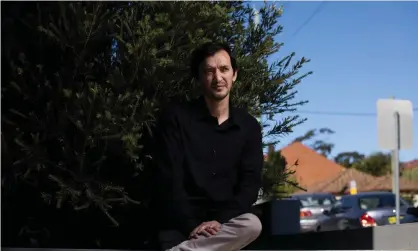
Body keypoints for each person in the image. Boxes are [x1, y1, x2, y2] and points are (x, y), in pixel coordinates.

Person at [154, 42, 264, 251]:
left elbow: (249, 186)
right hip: (181, 226)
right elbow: (169, 180)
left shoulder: (249, 127)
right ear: (199, 77)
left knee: (252, 224)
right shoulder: (176, 118)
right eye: (209, 71)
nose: (218, 78)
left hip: (226, 227)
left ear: (234, 74)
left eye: (224, 69)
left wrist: (219, 222)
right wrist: (192, 226)